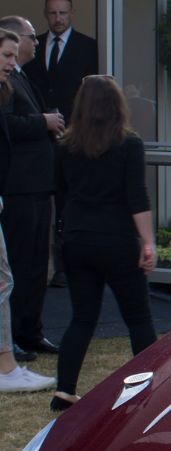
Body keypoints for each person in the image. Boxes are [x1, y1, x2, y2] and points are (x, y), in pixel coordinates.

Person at [52, 74, 156, 411]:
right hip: (117, 240)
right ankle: (151, 387)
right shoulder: (129, 144)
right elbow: (136, 197)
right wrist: (148, 242)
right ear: (117, 106)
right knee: (138, 319)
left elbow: (62, 194)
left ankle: (63, 391)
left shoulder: (66, 146)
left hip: (78, 240)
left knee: (82, 318)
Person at [0, 16, 63, 361]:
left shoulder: (21, 78)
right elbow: (7, 124)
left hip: (39, 185)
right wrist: (43, 122)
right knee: (20, 265)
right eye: (30, 38)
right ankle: (16, 337)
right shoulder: (5, 83)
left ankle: (31, 331)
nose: (37, 43)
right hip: (18, 188)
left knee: (38, 263)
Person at [24, 0, 98, 289]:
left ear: (71, 14)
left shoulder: (88, 47)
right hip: (39, 140)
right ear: (45, 15)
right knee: (42, 203)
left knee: (69, 204)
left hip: (74, 138)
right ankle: (42, 267)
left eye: (62, 13)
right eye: (52, 13)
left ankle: (67, 268)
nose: (57, 19)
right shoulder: (33, 45)